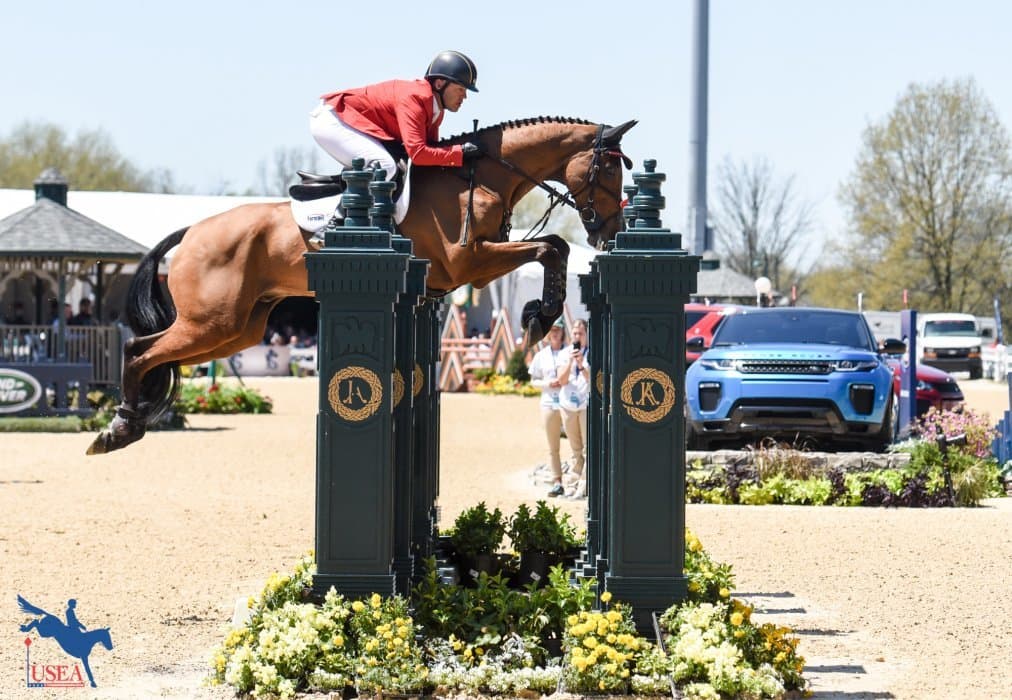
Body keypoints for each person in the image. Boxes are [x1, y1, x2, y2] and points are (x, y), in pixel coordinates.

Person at [309, 50, 484, 222]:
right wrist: (460, 152)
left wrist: (460, 155)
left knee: (394, 163)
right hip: (333, 120)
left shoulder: (436, 110)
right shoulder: (415, 98)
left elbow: (431, 150)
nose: (465, 96)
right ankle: (338, 219)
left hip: (353, 123)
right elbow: (419, 153)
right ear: (439, 84)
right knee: (385, 165)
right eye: (461, 89)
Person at [528, 317, 572, 497]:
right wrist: (547, 383)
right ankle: (557, 481)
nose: (555, 333)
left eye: (558, 330)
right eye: (552, 330)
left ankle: (577, 478)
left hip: (569, 403)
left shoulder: (569, 352)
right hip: (548, 403)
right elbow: (533, 381)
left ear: (562, 332)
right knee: (553, 446)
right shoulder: (541, 355)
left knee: (577, 444)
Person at [557, 318, 590, 498]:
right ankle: (572, 483)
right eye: (575, 333)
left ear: (586, 335)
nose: (577, 336)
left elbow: (593, 379)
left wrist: (581, 364)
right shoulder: (564, 354)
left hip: (585, 405)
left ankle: (584, 485)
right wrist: (570, 362)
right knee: (575, 448)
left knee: (587, 447)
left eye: (581, 333)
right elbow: (561, 380)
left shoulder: (593, 353)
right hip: (568, 405)